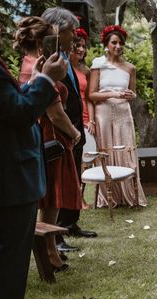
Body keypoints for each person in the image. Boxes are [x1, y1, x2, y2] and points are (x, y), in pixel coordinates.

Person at [0, 19, 68, 299]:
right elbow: (20, 113)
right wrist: (48, 81)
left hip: (13, 171)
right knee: (11, 251)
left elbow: (13, 104)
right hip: (9, 174)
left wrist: (38, 78)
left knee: (14, 249)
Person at [15, 16, 83, 272]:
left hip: (50, 133)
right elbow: (54, 111)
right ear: (42, 41)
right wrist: (75, 133)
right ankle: (49, 251)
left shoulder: (33, 63)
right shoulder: (38, 66)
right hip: (52, 134)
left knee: (53, 195)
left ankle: (52, 247)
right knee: (53, 195)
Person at [42, 7, 97, 251]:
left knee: (74, 178)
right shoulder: (50, 60)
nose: (75, 35)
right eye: (70, 30)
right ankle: (58, 236)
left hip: (75, 126)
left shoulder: (65, 56)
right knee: (59, 184)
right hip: (61, 130)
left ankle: (71, 222)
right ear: (56, 30)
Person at [88, 24, 147, 208]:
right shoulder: (98, 65)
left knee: (126, 150)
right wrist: (113, 94)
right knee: (106, 151)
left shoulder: (130, 68)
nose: (118, 46)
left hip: (123, 113)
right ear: (107, 44)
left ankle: (129, 194)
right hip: (103, 113)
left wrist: (130, 95)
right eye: (114, 42)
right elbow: (91, 94)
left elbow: (134, 93)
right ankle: (108, 196)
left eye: (121, 43)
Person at [70, 27, 96, 152]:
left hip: (86, 120)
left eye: (83, 46)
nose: (81, 49)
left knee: (90, 157)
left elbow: (89, 98)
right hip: (70, 120)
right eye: (77, 45)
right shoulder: (62, 68)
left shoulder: (86, 70)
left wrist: (91, 120)